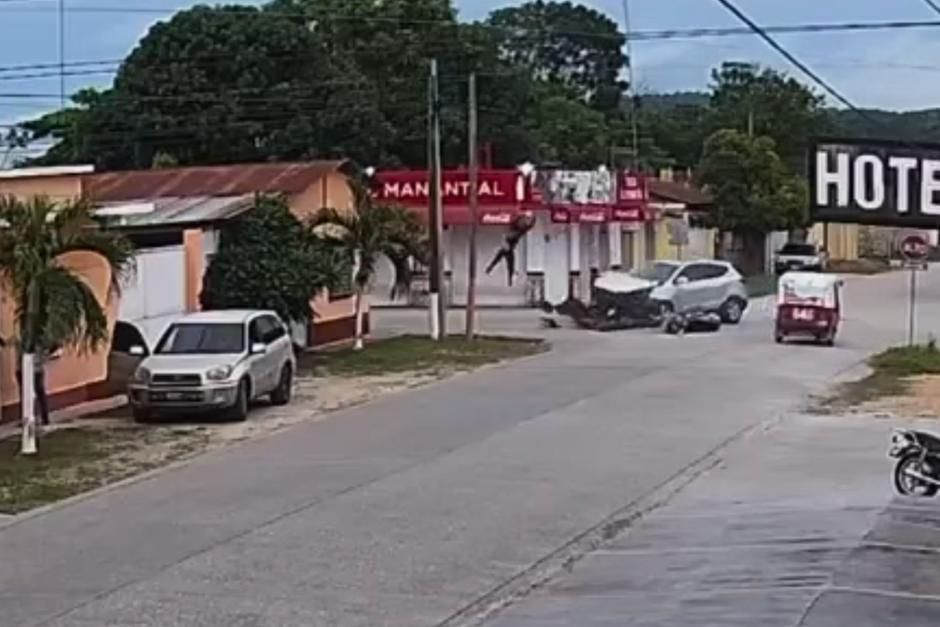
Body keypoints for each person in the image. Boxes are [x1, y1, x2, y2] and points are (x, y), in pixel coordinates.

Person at [485, 214, 535, 286]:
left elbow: (528, 226)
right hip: (509, 243)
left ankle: (492, 269)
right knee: (507, 260)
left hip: (510, 244)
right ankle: (507, 278)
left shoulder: (521, 230)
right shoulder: (517, 230)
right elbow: (506, 236)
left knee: (505, 259)